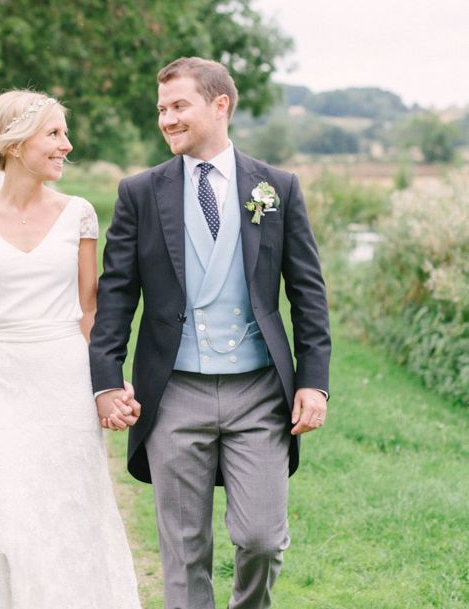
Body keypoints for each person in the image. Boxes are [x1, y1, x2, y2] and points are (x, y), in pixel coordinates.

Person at [90, 57, 331, 609]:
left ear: (220, 105)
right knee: (183, 549)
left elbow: (308, 295)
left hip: (258, 393)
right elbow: (118, 293)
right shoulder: (139, 193)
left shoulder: (278, 188)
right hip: (173, 391)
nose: (167, 120)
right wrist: (106, 379)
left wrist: (314, 383)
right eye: (161, 110)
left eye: (179, 106)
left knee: (262, 539)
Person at [0, 90, 141, 608]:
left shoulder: (80, 215)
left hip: (65, 384)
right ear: (17, 144)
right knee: (5, 529)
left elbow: (91, 314)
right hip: (2, 390)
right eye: (55, 134)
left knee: (71, 522)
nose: (67, 145)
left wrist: (110, 383)